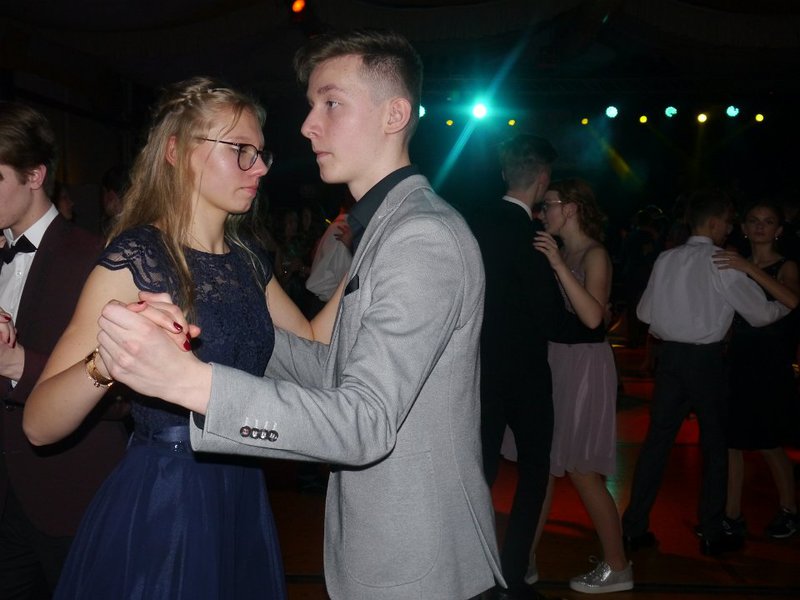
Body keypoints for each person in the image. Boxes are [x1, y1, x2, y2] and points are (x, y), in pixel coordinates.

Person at [91, 29, 503, 600]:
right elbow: (336, 371)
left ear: (394, 115)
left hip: (416, 561)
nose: (308, 125)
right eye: (311, 106)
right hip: (394, 550)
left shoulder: (420, 238)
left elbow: (365, 421)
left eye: (331, 103)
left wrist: (193, 382)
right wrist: (225, 318)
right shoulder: (387, 227)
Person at [23, 77, 338, 599]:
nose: (260, 168)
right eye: (240, 150)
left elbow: (312, 340)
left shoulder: (247, 260)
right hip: (169, 498)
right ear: (177, 151)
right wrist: (110, 360)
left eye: (261, 153)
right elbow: (38, 425)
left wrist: (371, 258)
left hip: (241, 489)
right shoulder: (138, 258)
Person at [0, 102, 128, 599]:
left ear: (35, 176)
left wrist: (18, 364)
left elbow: (123, 398)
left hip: (69, 495)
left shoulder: (97, 259)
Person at [621, 188, 792, 556]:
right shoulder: (722, 261)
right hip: (706, 362)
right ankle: (713, 531)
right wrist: (783, 306)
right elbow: (761, 315)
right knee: (715, 448)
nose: (730, 228)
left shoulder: (666, 258)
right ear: (714, 223)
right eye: (729, 222)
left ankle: (634, 526)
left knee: (655, 446)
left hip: (670, 361)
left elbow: (644, 314)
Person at [467, 134, 587, 600]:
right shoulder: (531, 237)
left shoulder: (471, 221)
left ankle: (472, 570)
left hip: (477, 367)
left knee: (480, 470)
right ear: (542, 179)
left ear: (504, 173)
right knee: (535, 471)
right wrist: (593, 328)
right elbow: (551, 319)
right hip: (526, 375)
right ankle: (513, 576)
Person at [532, 178, 632, 594]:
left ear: (570, 208)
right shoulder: (559, 251)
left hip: (586, 366)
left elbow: (592, 318)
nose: (542, 213)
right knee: (542, 465)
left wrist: (557, 266)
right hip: (556, 359)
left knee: (583, 470)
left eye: (548, 205)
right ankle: (523, 560)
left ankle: (618, 566)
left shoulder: (593, 254)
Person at [713, 201, 800, 539]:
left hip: (771, 363)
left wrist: (748, 268)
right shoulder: (736, 264)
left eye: (768, 221)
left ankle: (789, 510)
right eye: (754, 220)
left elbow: (792, 299)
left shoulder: (785, 265)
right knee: (731, 442)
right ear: (744, 228)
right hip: (738, 360)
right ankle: (731, 515)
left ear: (779, 230)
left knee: (768, 442)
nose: (760, 226)